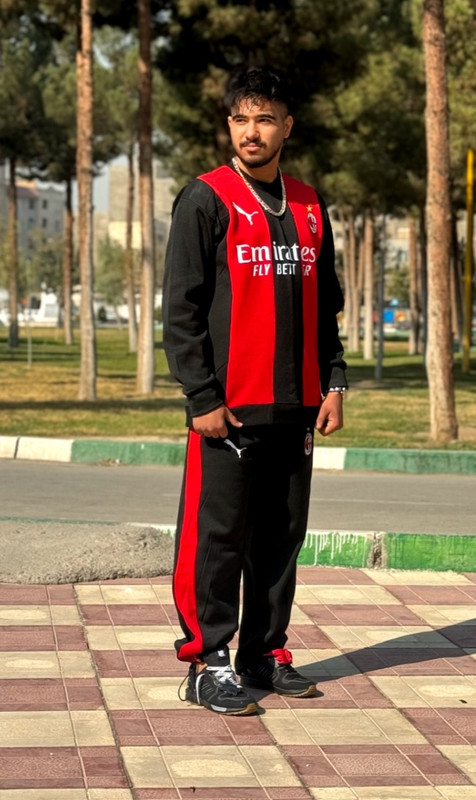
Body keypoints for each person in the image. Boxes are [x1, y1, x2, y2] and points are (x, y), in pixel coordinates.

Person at [162, 65, 347, 716]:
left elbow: (326, 305)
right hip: (228, 410)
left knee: (279, 538)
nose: (251, 131)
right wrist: (202, 398)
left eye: (265, 118)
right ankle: (206, 662)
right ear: (229, 125)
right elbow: (181, 311)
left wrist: (333, 380)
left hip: (295, 407)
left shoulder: (309, 204)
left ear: (286, 127)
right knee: (216, 540)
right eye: (241, 118)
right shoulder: (205, 199)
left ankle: (262, 653)